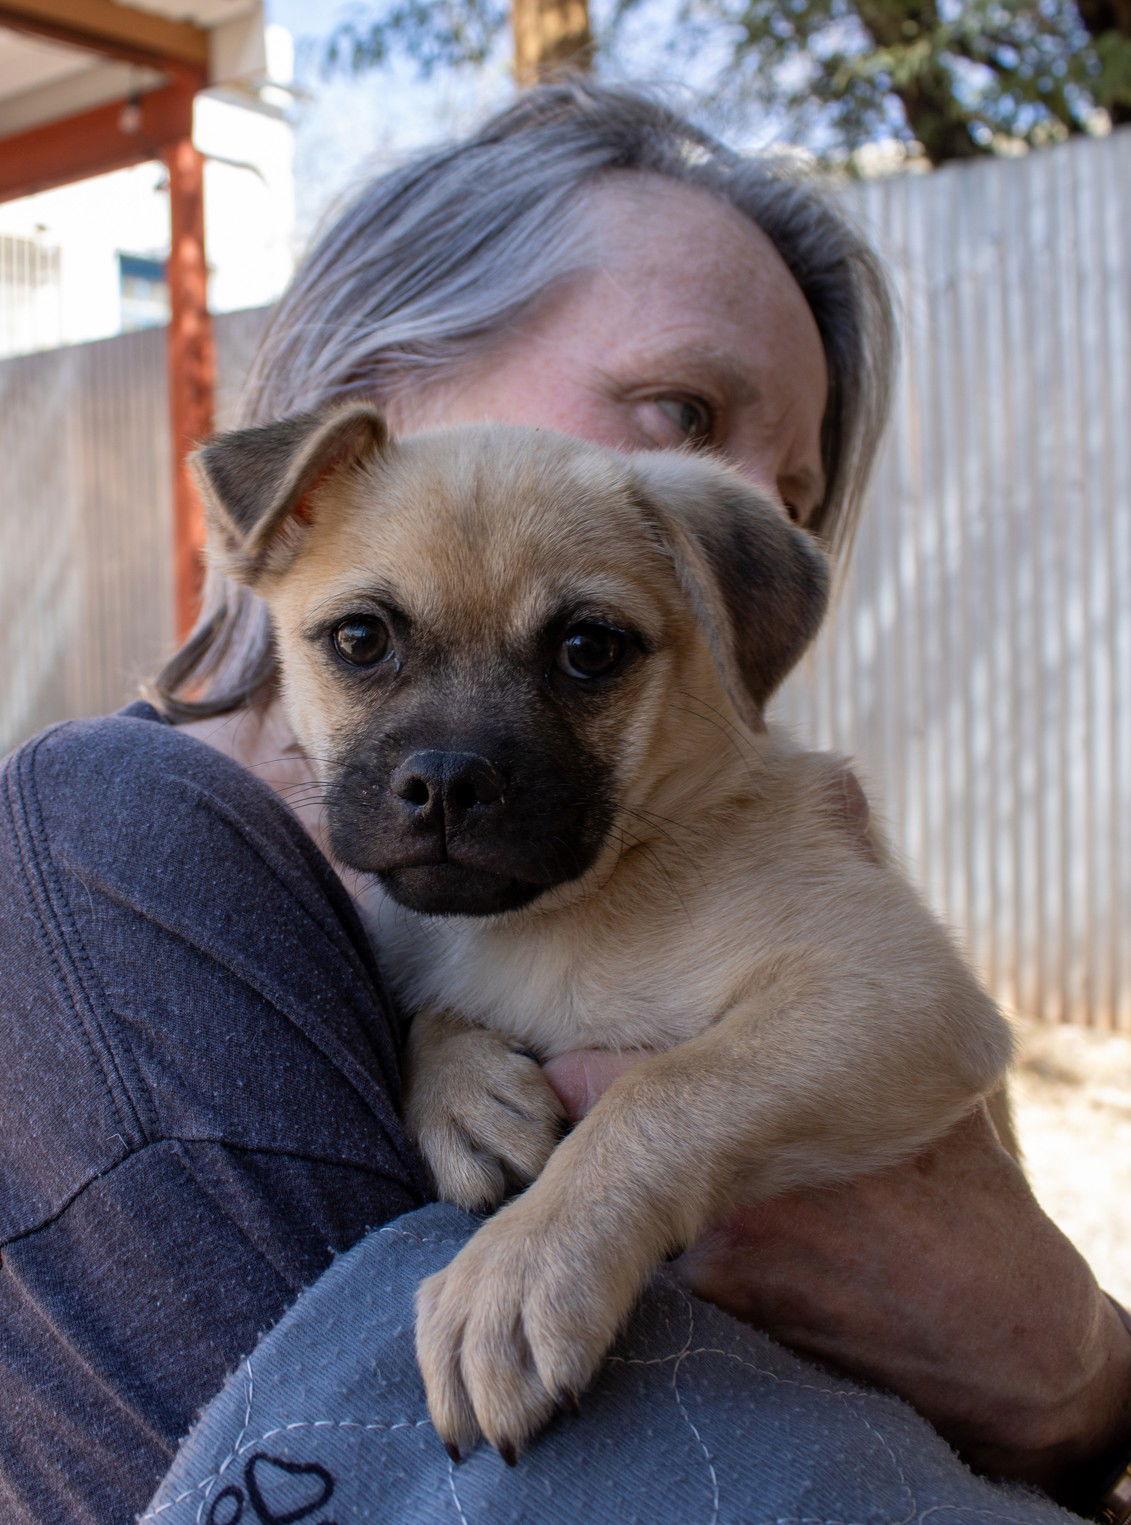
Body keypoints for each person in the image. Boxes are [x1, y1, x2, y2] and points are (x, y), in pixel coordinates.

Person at [0, 81, 1126, 1525]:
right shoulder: (104, 862)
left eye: (793, 480)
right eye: (683, 408)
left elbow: (936, 1029)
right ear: (367, 402)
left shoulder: (729, 825)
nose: (740, 517)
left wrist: (1077, 1375)